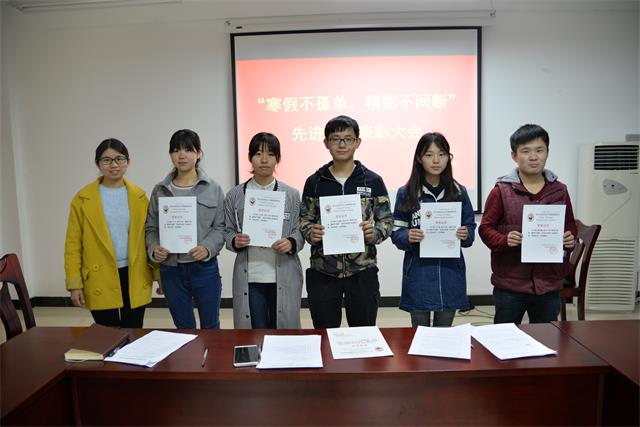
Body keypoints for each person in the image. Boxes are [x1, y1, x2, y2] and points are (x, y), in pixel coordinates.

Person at [299, 115, 393, 328]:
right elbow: (304, 219)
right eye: (335, 139)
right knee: (325, 335)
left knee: (363, 334)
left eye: (348, 139)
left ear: (357, 142)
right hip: (323, 270)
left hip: (362, 271)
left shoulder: (372, 180)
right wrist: (310, 232)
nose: (342, 144)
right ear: (326, 143)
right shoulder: (315, 182)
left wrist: (375, 232)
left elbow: (386, 219)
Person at [479, 124, 576, 324]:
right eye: (526, 151)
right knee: (504, 337)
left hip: (548, 283)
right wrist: (505, 240)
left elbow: (569, 224)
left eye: (539, 150)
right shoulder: (501, 191)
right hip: (510, 283)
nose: (533, 157)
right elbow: (485, 229)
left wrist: (569, 237)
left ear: (547, 152)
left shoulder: (559, 190)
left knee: (546, 337)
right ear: (514, 156)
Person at [64, 138, 157, 328]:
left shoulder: (139, 197)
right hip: (99, 275)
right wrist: (74, 284)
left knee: (134, 331)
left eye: (119, 159)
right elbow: (73, 245)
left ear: (128, 162)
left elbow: (150, 237)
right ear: (98, 164)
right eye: (106, 160)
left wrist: (158, 274)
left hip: (134, 272)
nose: (114, 165)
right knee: (107, 334)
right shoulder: (82, 199)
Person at [391, 132, 476, 327]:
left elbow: (470, 227)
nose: (436, 160)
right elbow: (396, 232)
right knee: (419, 332)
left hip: (450, 274)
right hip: (418, 273)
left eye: (442, 154)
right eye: (429, 155)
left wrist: (466, 234)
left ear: (449, 157)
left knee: (444, 333)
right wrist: (407, 236)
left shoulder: (459, 192)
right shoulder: (406, 193)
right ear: (419, 158)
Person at [145, 129, 225, 329]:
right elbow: (151, 228)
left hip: (204, 268)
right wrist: (154, 248)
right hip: (171, 270)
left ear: (199, 154)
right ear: (170, 155)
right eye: (176, 150)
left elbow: (220, 227)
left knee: (211, 327)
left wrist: (207, 247)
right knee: (183, 328)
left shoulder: (213, 189)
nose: (181, 155)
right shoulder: (160, 190)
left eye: (188, 150)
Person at [224, 132, 304, 329]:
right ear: (250, 157)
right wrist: (234, 240)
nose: (264, 160)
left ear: (278, 158)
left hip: (283, 273)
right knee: (256, 332)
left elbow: (300, 230)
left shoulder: (291, 194)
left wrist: (291, 242)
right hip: (251, 276)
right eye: (258, 154)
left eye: (270, 154)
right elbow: (227, 230)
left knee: (284, 333)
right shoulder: (235, 195)